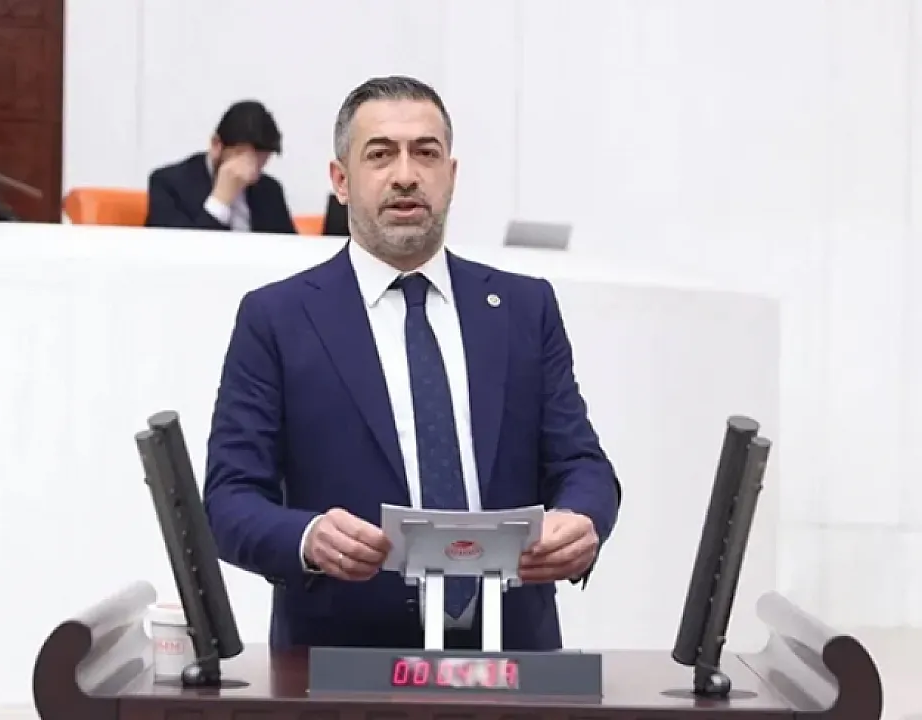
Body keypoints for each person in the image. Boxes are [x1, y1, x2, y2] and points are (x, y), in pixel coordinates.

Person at [203, 76, 621, 651]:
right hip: (341, 664)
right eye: (380, 155)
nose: (405, 175)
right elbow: (230, 498)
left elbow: (582, 463)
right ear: (341, 181)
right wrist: (308, 537)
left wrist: (582, 518)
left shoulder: (525, 309)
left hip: (514, 659)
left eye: (425, 153)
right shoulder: (277, 318)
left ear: (451, 175)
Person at [145, 100, 296, 234]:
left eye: (262, 161)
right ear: (216, 145)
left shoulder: (270, 190)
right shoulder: (168, 184)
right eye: (241, 156)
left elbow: (290, 248)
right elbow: (175, 251)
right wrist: (220, 200)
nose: (251, 171)